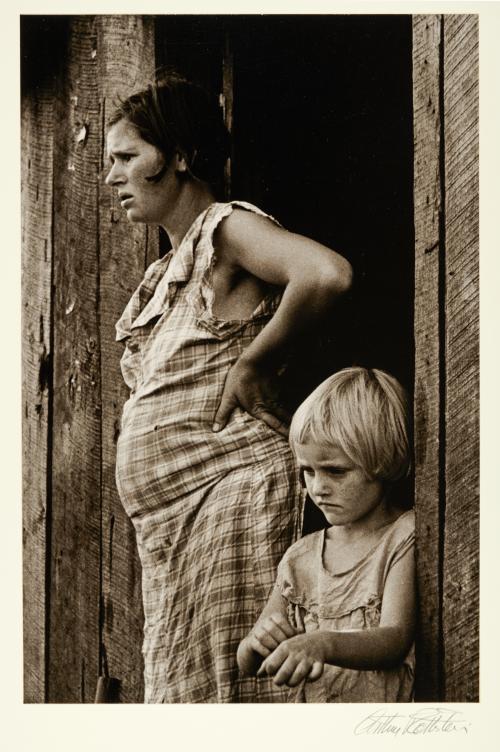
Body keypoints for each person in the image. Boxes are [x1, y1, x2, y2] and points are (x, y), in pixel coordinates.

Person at [105, 71, 352, 703]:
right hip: (175, 533)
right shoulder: (170, 267)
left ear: (181, 156)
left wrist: (252, 365)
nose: (112, 178)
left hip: (233, 501)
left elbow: (324, 274)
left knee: (237, 702)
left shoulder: (226, 229)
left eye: (128, 157)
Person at [237, 367, 415, 702]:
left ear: (385, 462)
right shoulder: (300, 557)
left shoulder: (403, 536)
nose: (318, 488)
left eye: (335, 471)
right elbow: (249, 663)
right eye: (308, 471)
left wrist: (323, 642)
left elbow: (394, 638)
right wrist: (255, 644)